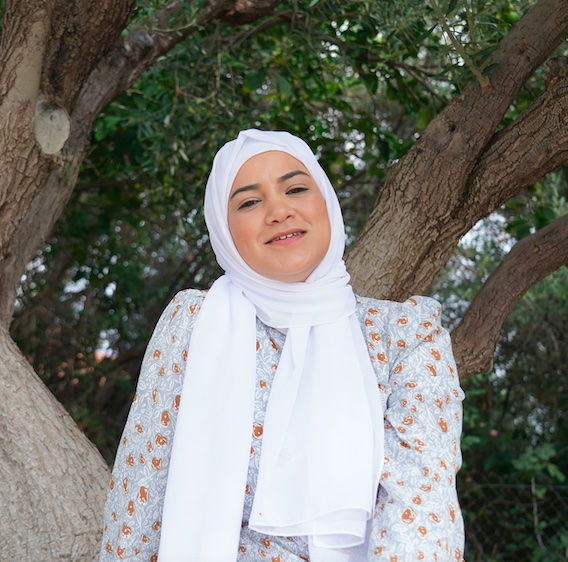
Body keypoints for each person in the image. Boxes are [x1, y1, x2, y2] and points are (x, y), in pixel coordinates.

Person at [99, 129, 465, 562]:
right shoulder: (193, 323)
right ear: (224, 230)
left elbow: (422, 514)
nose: (278, 211)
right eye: (249, 202)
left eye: (295, 189)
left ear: (326, 202)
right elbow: (139, 500)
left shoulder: (405, 335)